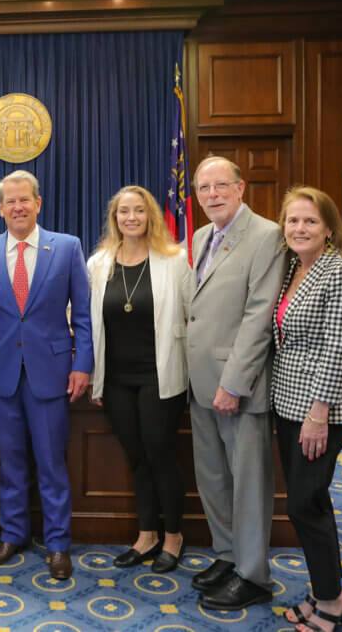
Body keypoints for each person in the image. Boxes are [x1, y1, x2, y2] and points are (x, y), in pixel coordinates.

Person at [0, 170, 94, 581]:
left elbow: (83, 313)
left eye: (25, 199)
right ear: (0, 208)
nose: (18, 207)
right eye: (10, 201)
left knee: (51, 462)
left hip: (52, 372)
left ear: (38, 203)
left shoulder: (67, 247)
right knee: (10, 461)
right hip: (3, 374)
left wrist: (83, 363)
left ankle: (58, 544)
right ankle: (12, 534)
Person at [186, 156, 283, 610]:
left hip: (236, 387)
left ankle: (254, 574)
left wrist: (234, 383)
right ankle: (228, 555)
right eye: (204, 188)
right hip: (199, 383)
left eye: (221, 186)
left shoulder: (266, 236)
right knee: (213, 479)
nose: (212, 195)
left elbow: (259, 316)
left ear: (241, 188)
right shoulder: (202, 236)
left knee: (247, 484)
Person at [274, 187, 342, 632]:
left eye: (310, 221)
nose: (300, 228)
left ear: (330, 228)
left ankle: (331, 601)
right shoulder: (294, 267)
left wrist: (318, 414)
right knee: (310, 503)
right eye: (292, 220)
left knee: (305, 504)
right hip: (287, 403)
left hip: (318, 409)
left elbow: (338, 349)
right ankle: (324, 589)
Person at [87, 186, 190, 574]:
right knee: (137, 458)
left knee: (161, 455)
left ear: (151, 216)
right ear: (114, 218)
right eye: (123, 212)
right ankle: (146, 535)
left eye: (139, 211)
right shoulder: (98, 264)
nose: (131, 218)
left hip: (159, 375)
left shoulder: (174, 260)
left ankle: (174, 537)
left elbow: (193, 314)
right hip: (116, 379)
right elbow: (89, 322)